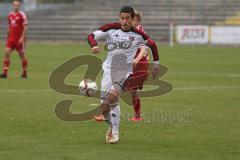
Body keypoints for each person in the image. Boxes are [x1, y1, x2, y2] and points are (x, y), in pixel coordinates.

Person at [87, 6, 159, 144]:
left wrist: (156, 64)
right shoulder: (111, 29)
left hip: (124, 70)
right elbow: (91, 35)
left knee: (113, 96)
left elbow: (152, 45)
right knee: (104, 107)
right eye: (122, 18)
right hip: (108, 70)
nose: (124, 21)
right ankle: (110, 127)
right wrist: (93, 45)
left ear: (132, 19)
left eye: (127, 18)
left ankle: (115, 132)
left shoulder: (138, 34)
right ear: (119, 18)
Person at [0, 0, 28, 78]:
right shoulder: (10, 15)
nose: (16, 6)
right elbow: (9, 27)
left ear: (19, 6)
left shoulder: (22, 15)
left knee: (22, 56)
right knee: (6, 53)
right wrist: (7, 37)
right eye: (15, 5)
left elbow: (25, 27)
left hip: (19, 39)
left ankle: (24, 72)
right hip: (11, 39)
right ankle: (5, 73)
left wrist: (22, 38)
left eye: (17, 5)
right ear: (13, 6)